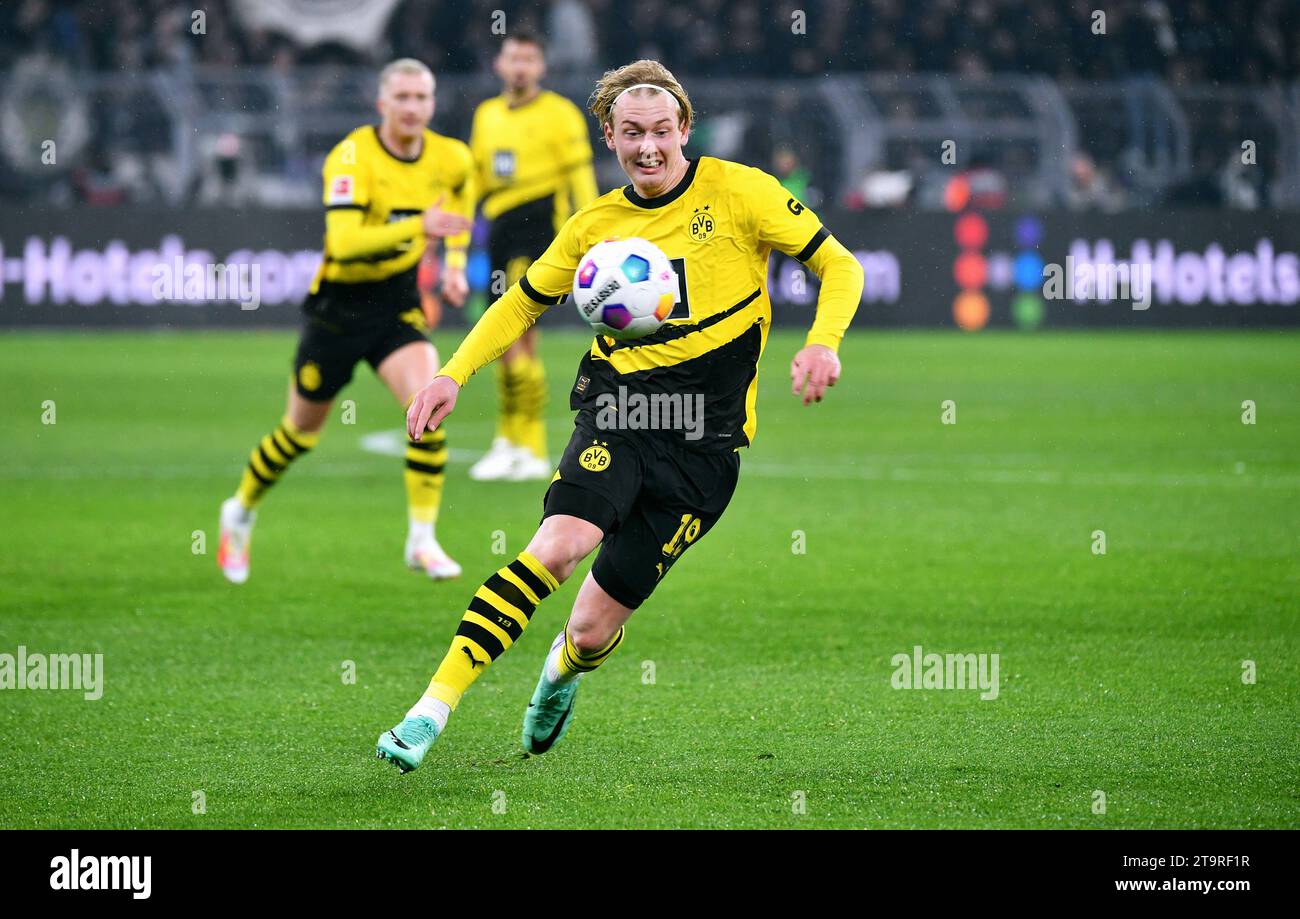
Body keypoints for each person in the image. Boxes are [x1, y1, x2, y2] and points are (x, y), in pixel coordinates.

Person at [376, 59, 863, 773]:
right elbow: (521, 301)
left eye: (662, 131)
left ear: (684, 128)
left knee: (593, 626)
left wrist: (823, 345)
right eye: (632, 133)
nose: (649, 148)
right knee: (556, 548)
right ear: (610, 135)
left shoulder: (741, 191)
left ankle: (562, 671)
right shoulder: (595, 224)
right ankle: (430, 710)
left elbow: (840, 265)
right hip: (620, 412)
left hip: (705, 446)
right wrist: (453, 373)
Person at [217, 59, 474, 585]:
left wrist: (451, 265)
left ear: (432, 104)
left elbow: (464, 194)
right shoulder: (352, 156)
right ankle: (239, 510)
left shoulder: (451, 156)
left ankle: (422, 539)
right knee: (299, 434)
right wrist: (418, 226)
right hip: (339, 306)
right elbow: (344, 241)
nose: (411, 107)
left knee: (427, 410)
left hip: (396, 303)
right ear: (382, 104)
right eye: (401, 97)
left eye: (421, 98)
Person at [465, 31, 599, 481]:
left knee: (520, 335)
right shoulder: (486, 115)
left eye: (529, 59)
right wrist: (457, 227)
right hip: (500, 232)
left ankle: (533, 444)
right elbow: (476, 179)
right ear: (499, 65)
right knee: (501, 339)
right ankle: (508, 440)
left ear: (541, 67)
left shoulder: (560, 114)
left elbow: (580, 178)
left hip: (541, 228)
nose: (520, 66)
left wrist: (593, 232)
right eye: (513, 58)